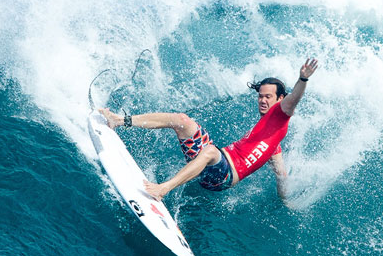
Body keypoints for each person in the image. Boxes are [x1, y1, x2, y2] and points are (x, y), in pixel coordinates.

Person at [99, 58, 319, 203]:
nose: (262, 100)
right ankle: (119, 121)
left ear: (280, 99)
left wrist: (303, 78)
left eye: (267, 97)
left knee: (211, 151)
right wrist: (285, 199)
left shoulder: (282, 113)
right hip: (216, 164)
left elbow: (294, 98)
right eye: (260, 96)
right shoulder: (273, 142)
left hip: (223, 176)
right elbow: (281, 174)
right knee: (182, 121)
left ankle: (162, 190)